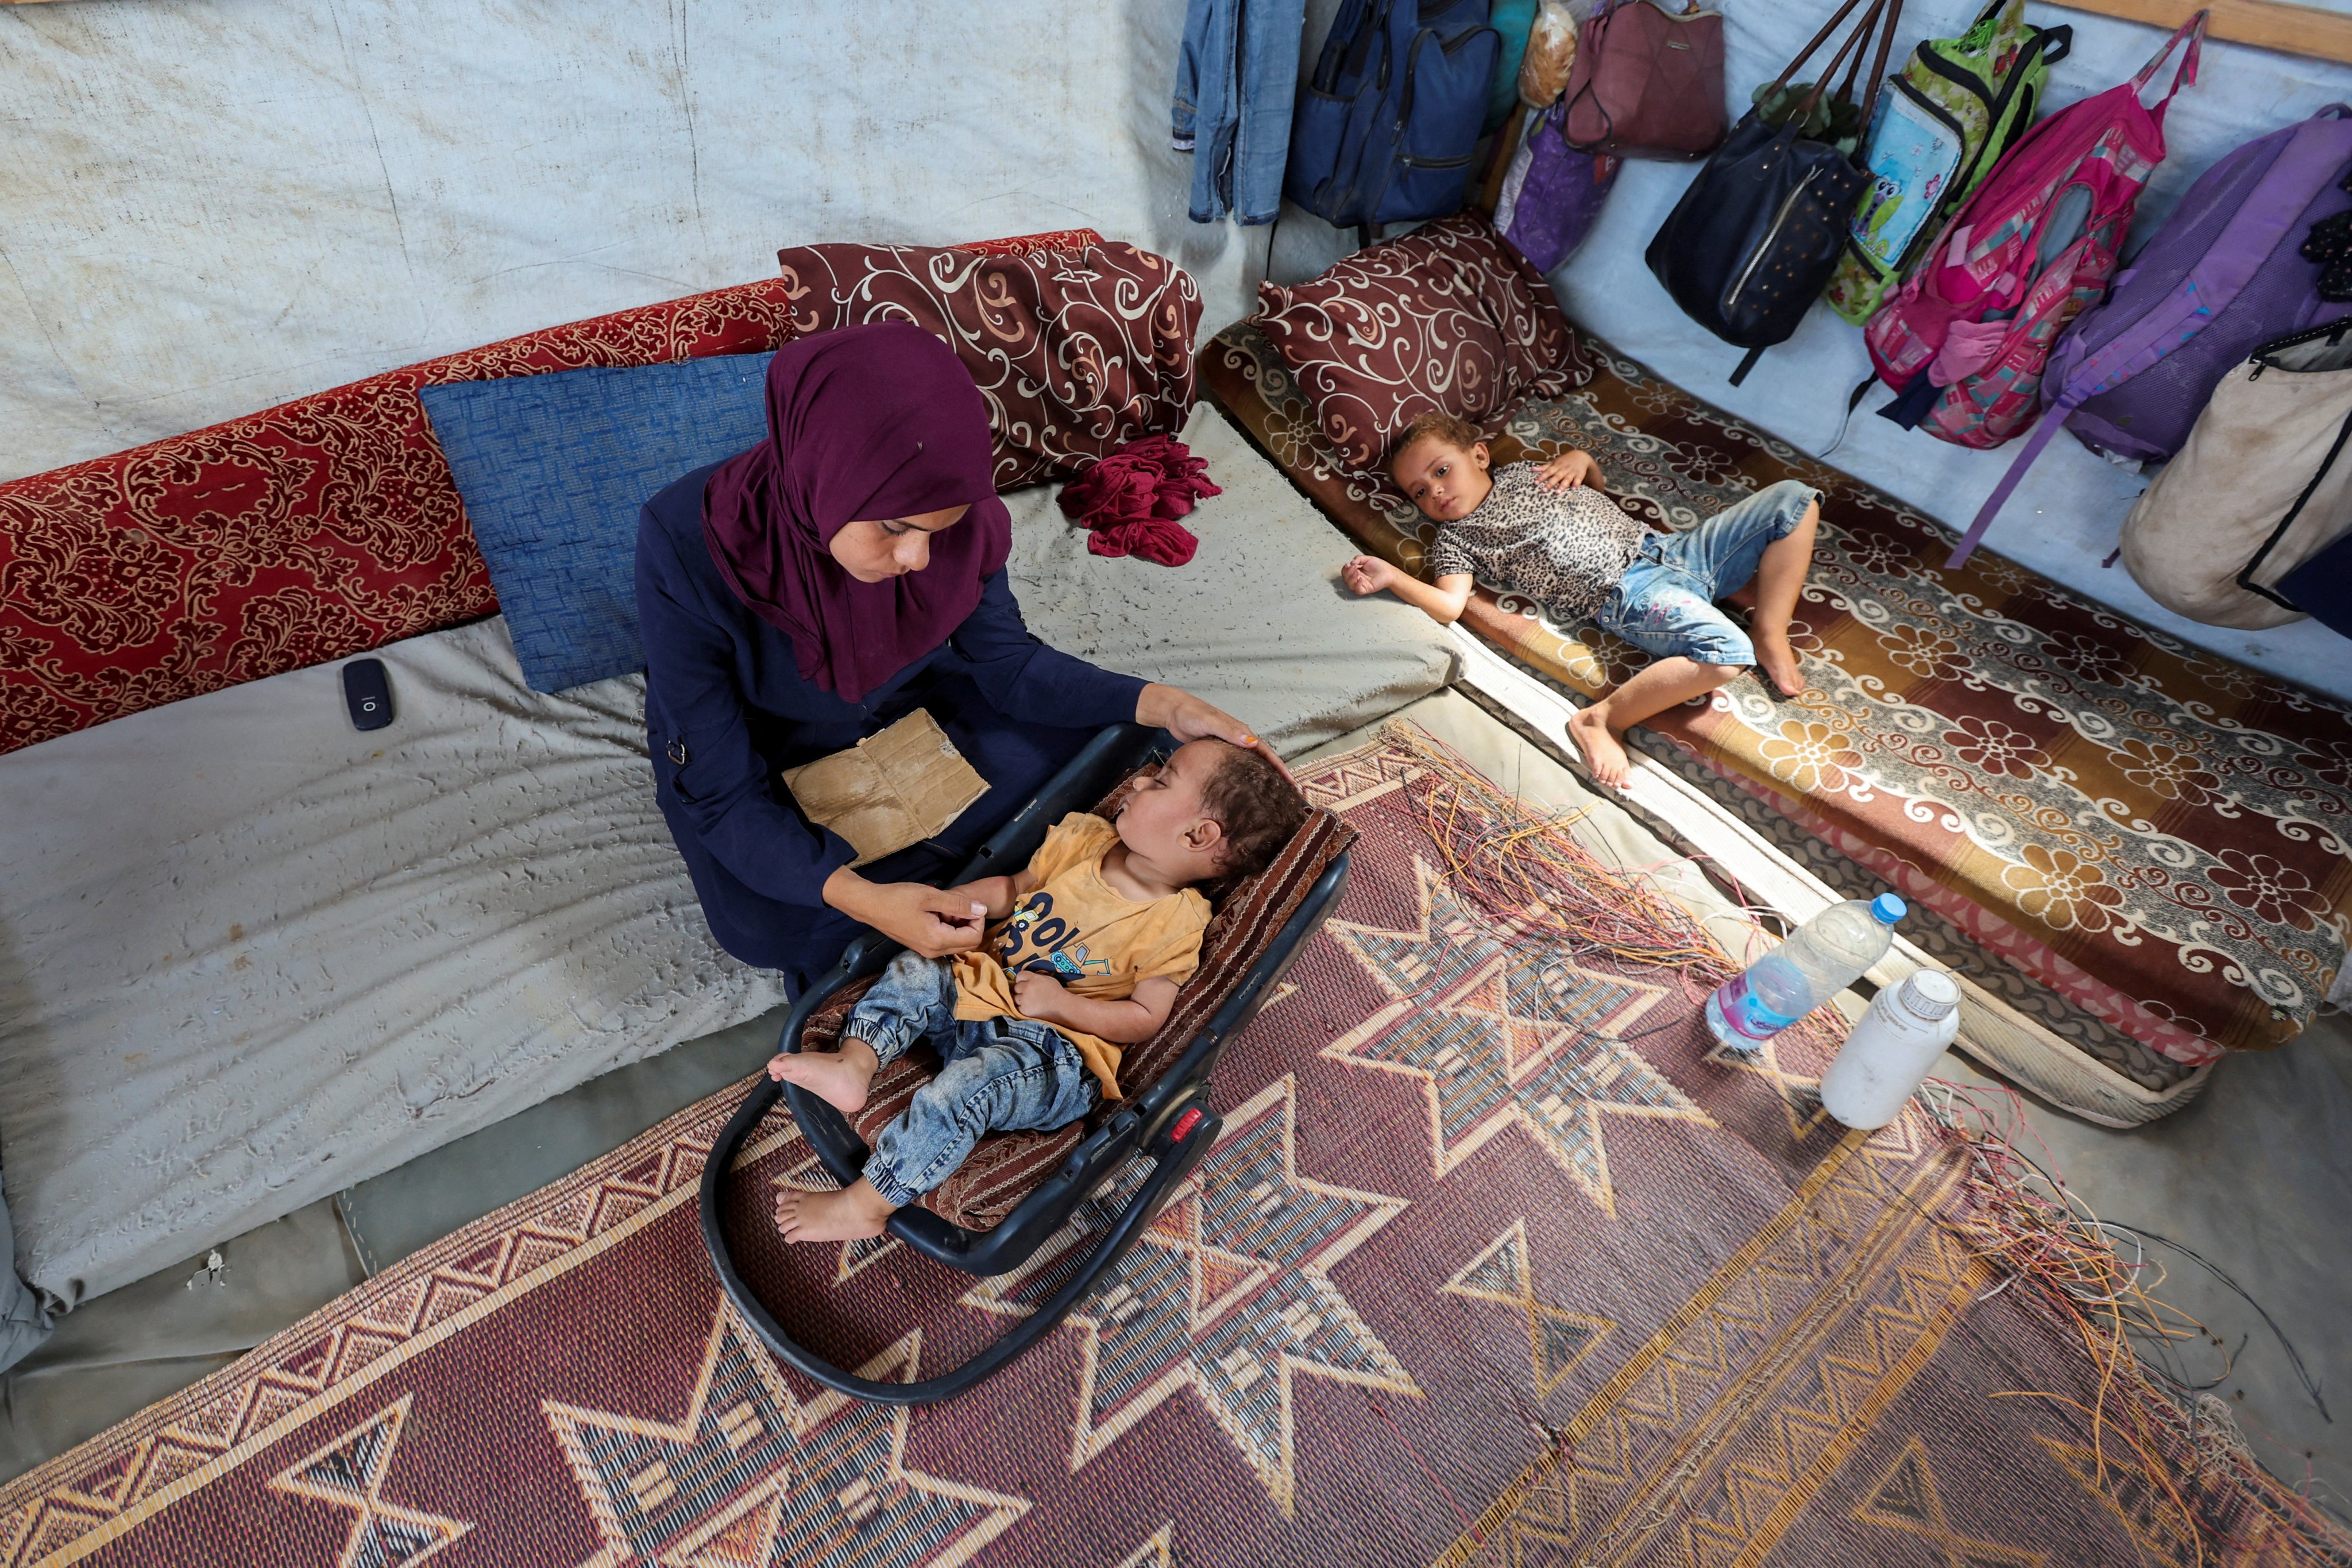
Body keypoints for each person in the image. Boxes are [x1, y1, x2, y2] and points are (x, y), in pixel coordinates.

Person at [636, 321, 1282, 991]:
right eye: (895, 528)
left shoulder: (965, 515)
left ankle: (935, 892)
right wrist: (865, 899)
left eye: (935, 534)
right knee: (768, 925)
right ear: (825, 477)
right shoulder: (686, 542)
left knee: (1133, 733)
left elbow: (1007, 663)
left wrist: (1170, 702)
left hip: (904, 699)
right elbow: (719, 788)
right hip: (761, 745)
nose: (917, 559)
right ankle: (925, 891)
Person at [769, 737, 1306, 1242]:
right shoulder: (1085, 840)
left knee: (969, 1086)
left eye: (1161, 782)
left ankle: (868, 1204)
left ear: (1197, 837)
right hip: (981, 990)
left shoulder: (1177, 923)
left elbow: (1145, 1017)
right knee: (918, 969)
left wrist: (1063, 1005)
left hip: (1050, 1057)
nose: (1139, 783)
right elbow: (1015, 888)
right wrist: (960, 904)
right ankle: (856, 1064)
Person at [1341, 411, 1820, 790]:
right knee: (1726, 653)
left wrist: (1579, 457)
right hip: (1628, 593)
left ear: (1480, 456)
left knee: (1794, 498)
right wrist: (1392, 577)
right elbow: (1448, 606)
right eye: (1419, 491)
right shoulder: (1455, 540)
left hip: (1670, 551)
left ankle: (1770, 630)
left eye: (1442, 471)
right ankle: (1599, 719)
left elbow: (1592, 489)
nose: (1436, 491)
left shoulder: (1526, 472)